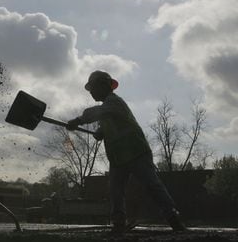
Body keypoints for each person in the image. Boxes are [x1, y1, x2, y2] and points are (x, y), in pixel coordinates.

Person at [66, 70, 186, 234]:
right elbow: (108, 124)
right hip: (118, 158)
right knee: (116, 191)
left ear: (103, 85)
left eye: (92, 88)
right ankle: (118, 223)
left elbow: (99, 112)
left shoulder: (114, 102)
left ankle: (173, 218)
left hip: (136, 152)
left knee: (152, 185)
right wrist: (101, 132)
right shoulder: (108, 109)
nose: (91, 92)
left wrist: (78, 120)